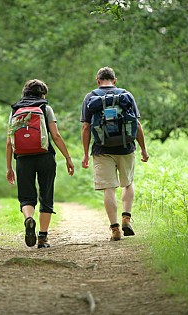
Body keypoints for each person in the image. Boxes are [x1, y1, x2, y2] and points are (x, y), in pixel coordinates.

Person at [80, 67, 149, 241]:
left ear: (97, 80)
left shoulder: (91, 97)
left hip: (102, 150)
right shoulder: (126, 95)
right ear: (114, 80)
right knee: (128, 183)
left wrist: (86, 154)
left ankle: (115, 229)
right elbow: (137, 124)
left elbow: (86, 127)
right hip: (126, 147)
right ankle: (126, 217)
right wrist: (143, 149)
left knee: (109, 188)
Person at [6, 79, 74, 248]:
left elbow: (9, 142)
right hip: (45, 157)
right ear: (43, 94)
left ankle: (29, 219)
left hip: (22, 159)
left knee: (26, 197)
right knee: (46, 195)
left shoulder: (15, 110)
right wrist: (67, 157)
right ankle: (42, 237)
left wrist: (9, 167)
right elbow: (56, 136)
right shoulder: (45, 108)